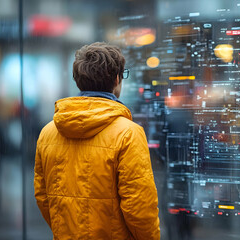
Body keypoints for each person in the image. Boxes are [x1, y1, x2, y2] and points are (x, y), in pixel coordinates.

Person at [34, 42, 160, 239]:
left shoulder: (48, 132)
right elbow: (139, 208)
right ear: (117, 78)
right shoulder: (128, 133)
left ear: (78, 80)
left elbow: (43, 197)